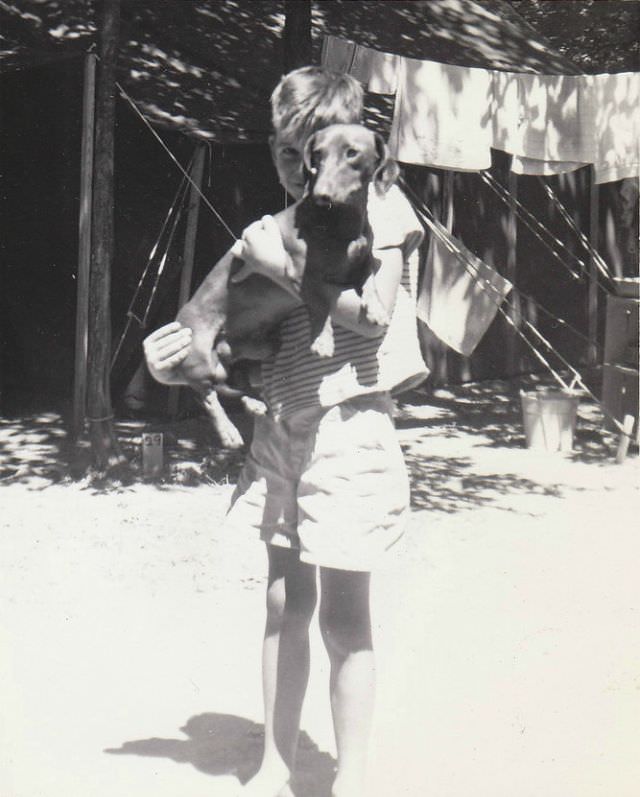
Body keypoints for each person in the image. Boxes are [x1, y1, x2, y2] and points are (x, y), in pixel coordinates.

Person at [143, 66, 426, 797]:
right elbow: (237, 328)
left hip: (349, 426)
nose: (304, 170)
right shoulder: (281, 226)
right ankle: (277, 762)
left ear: (351, 151)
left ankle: (353, 778)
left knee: (344, 614)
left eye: (310, 151)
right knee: (281, 602)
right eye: (289, 155)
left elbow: (377, 315)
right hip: (282, 426)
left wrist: (277, 265)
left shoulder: (383, 213)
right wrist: (170, 356)